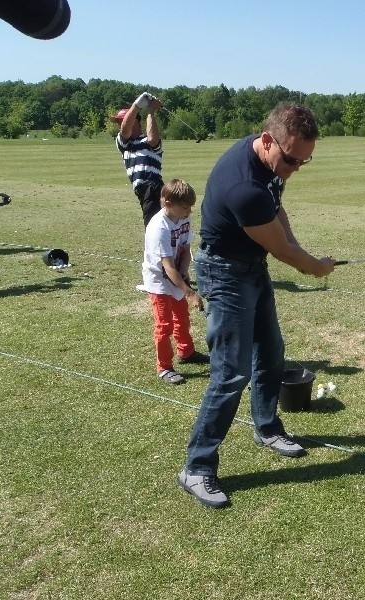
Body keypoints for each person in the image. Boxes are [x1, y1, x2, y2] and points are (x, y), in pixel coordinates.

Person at [178, 103, 336, 509]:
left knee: (271, 353)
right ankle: (196, 468)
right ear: (267, 142)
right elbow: (280, 248)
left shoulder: (269, 163)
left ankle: (266, 426)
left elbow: (276, 209)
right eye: (291, 160)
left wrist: (301, 248)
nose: (295, 169)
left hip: (252, 267)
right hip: (225, 273)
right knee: (231, 373)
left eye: (305, 162)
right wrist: (314, 265)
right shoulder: (243, 186)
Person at [138, 179, 210, 385]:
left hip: (176, 275)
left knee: (182, 317)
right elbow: (167, 267)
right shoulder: (159, 228)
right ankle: (164, 367)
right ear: (168, 204)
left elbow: (185, 250)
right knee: (164, 325)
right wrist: (190, 292)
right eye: (185, 207)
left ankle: (186, 352)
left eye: (190, 207)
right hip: (159, 280)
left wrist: (185, 271)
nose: (189, 212)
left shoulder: (183, 219)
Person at [113, 91, 164, 227]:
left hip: (153, 187)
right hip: (142, 191)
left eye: (120, 121)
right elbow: (124, 130)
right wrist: (136, 105)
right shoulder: (123, 143)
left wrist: (150, 111)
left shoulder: (147, 140)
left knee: (153, 227)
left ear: (135, 121)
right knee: (156, 226)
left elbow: (153, 140)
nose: (119, 125)